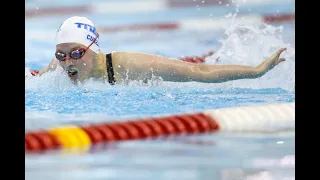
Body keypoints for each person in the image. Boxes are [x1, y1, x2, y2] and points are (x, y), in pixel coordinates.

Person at [32, 16, 286, 85]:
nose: (67, 63)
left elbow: (199, 71)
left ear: (94, 48)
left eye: (76, 53)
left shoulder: (128, 65)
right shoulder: (58, 70)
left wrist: (257, 70)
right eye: (60, 55)